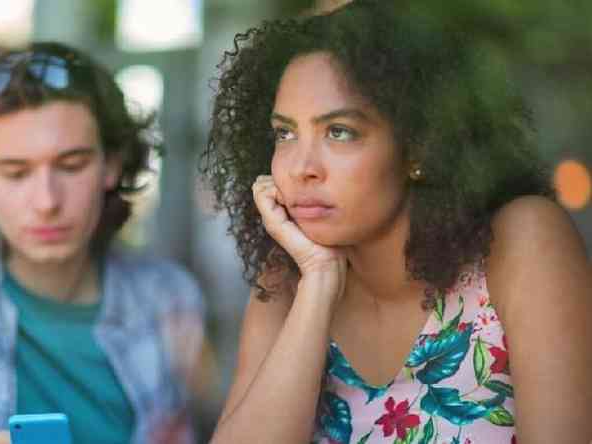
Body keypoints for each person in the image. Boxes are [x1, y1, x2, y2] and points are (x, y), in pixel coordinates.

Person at [200, 2, 592, 443]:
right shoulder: (287, 279)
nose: (300, 168)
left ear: (419, 147)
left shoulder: (522, 240)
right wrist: (319, 283)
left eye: (339, 131)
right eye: (285, 134)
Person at [0, 41, 205, 444]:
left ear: (111, 164)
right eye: (15, 173)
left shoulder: (168, 298)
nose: (46, 202)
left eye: (71, 166)